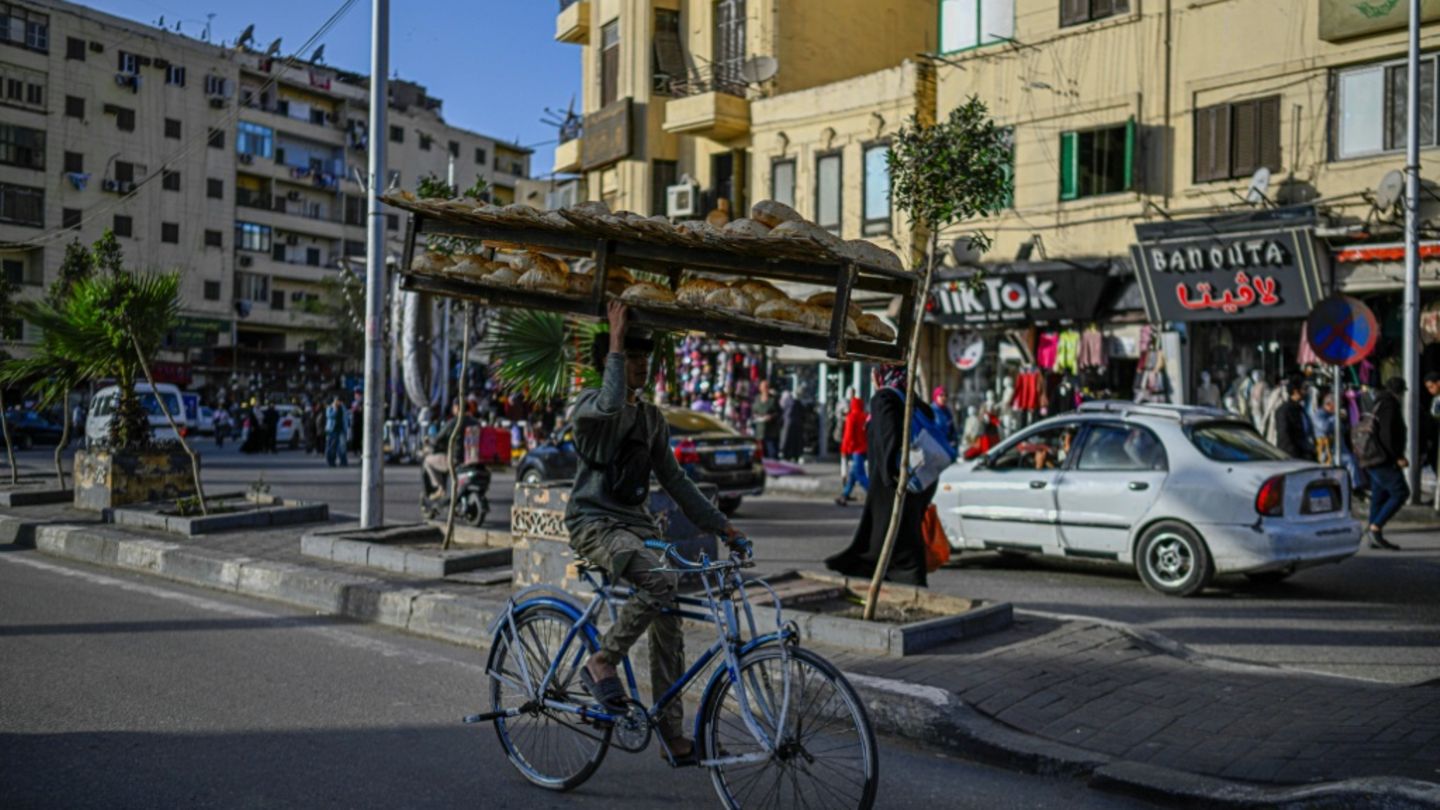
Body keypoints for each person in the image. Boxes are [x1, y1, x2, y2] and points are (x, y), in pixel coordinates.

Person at [568, 302, 747, 764]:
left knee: (670, 615)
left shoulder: (651, 419)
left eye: (645, 357)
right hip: (595, 524)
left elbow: (676, 481)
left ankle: (671, 732)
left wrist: (723, 525)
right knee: (659, 580)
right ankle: (603, 660)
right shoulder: (589, 407)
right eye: (631, 356)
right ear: (610, 360)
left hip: (638, 528)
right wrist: (614, 335)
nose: (641, 364)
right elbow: (610, 404)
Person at [825, 365, 935, 587]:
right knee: (905, 536)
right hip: (917, 482)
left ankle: (893, 581)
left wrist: (889, 476)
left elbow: (888, 439)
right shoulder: (916, 402)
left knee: (884, 535)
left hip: (891, 485)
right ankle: (909, 582)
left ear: (878, 376)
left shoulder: (884, 399)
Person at [1363, 377, 1411, 551]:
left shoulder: (1377, 403)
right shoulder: (1389, 406)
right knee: (1400, 492)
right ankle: (1375, 528)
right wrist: (1397, 456)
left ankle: (1373, 535)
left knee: (1379, 495)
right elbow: (1387, 435)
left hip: (1372, 457)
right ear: (1399, 392)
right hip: (1382, 458)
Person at [835, 388, 869, 506]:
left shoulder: (851, 417)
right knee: (853, 474)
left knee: (860, 475)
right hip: (864, 448)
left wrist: (844, 449)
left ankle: (873, 494)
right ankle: (844, 495)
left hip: (856, 449)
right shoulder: (865, 416)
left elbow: (848, 436)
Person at [1274, 377, 1313, 460]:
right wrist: (1296, 456)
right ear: (1295, 391)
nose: (1306, 392)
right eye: (1304, 389)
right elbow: (1284, 438)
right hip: (1292, 457)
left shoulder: (1300, 409)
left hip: (1304, 454)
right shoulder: (1284, 411)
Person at [751, 380, 781, 459]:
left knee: (772, 453)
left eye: (767, 387)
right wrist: (755, 415)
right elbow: (753, 411)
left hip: (771, 432)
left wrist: (771, 416)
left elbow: (779, 412)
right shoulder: (757, 398)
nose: (765, 389)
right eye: (764, 387)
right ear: (760, 388)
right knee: (761, 454)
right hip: (760, 431)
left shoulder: (773, 399)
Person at [324, 397, 350, 467]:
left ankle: (343, 461)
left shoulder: (343, 408)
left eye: (339, 401)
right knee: (331, 446)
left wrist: (347, 427)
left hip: (342, 429)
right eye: (336, 401)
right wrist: (335, 409)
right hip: (332, 430)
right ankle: (331, 461)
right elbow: (329, 416)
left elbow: (346, 417)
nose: (338, 402)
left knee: (342, 446)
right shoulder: (330, 408)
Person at [932, 387, 957, 451]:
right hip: (935, 446)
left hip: (947, 446)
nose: (944, 397)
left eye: (946, 395)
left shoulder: (947, 412)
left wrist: (953, 441)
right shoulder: (931, 410)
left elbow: (952, 429)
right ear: (936, 396)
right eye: (941, 395)